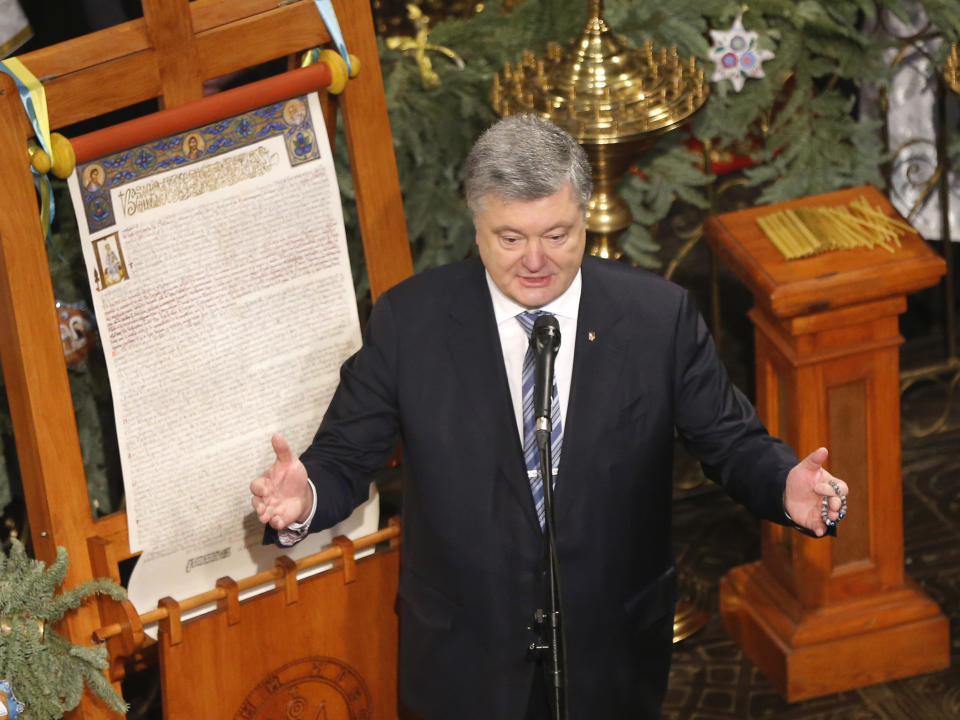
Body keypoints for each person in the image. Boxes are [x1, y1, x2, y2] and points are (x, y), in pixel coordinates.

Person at [250, 114, 849, 719]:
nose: (535, 260)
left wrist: (782, 482)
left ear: (585, 216)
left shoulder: (656, 319)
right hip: (464, 659)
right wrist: (305, 498)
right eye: (510, 238)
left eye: (558, 235)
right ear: (476, 225)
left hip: (611, 650)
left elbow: (729, 439)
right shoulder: (411, 323)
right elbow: (346, 456)